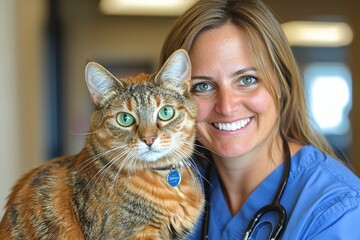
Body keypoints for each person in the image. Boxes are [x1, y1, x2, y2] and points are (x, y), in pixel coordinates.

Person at [159, 0, 360, 239]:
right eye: (203, 86)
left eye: (247, 80)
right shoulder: (166, 189)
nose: (226, 106)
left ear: (282, 84)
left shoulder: (337, 210)